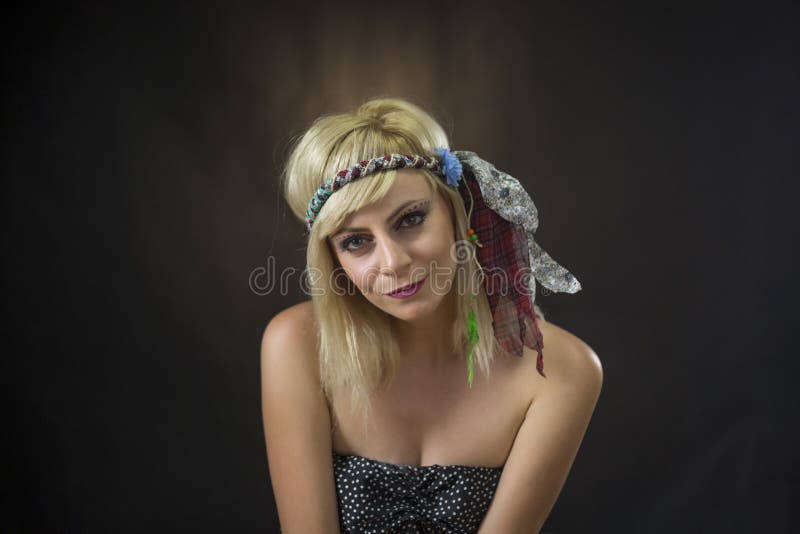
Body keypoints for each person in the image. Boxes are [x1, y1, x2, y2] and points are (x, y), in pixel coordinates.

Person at [260, 97, 603, 533]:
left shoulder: (560, 370)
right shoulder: (298, 346)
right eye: (355, 241)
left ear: (456, 211)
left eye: (411, 219)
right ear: (332, 259)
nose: (393, 261)